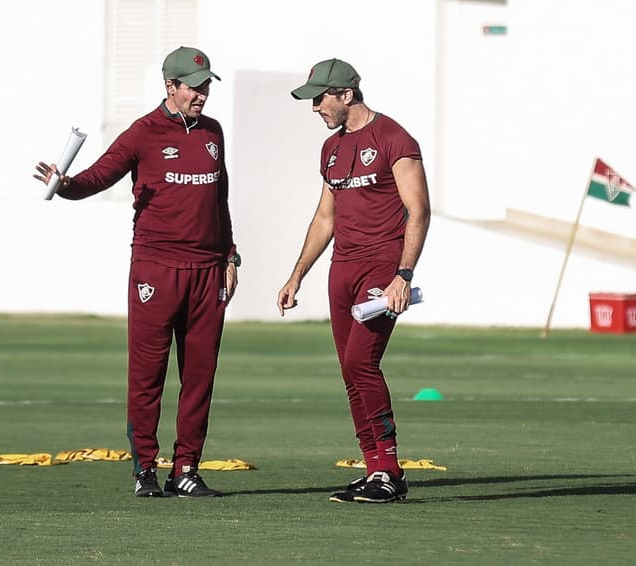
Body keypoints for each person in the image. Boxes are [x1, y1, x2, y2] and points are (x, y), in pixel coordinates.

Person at [33, 46, 239, 498]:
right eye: (194, 87)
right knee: (147, 375)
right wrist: (65, 184)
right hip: (155, 269)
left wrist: (231, 255)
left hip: (207, 271)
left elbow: (219, 199)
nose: (202, 95)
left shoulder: (213, 133)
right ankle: (145, 467)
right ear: (171, 87)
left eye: (206, 86)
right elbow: (97, 177)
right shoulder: (143, 133)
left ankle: (186, 469)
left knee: (200, 376)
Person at [276, 58, 430, 503]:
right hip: (340, 270)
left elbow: (418, 210)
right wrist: (296, 275)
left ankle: (390, 471)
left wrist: (404, 275)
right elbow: (326, 217)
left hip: (382, 269)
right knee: (349, 370)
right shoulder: (330, 149)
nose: (315, 109)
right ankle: (374, 469)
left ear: (346, 95)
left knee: (362, 362)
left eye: (320, 99)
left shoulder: (394, 138)